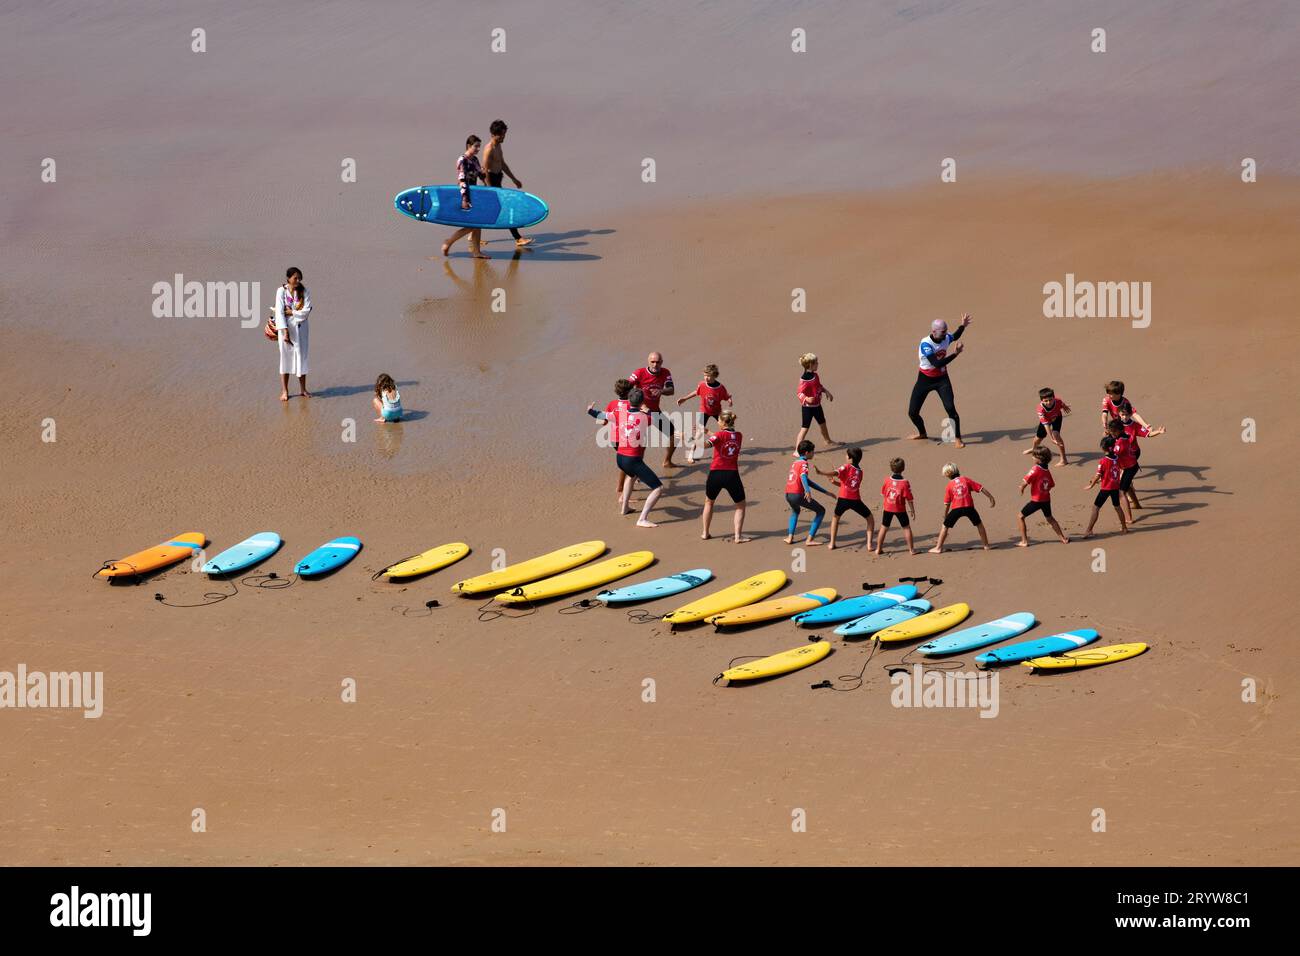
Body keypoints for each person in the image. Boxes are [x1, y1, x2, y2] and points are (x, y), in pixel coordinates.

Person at [587, 388, 663, 527]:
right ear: (642, 402)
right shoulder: (644, 417)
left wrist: (590, 410)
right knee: (658, 489)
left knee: (632, 476)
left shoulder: (619, 414)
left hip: (620, 458)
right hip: (633, 459)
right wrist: (647, 410)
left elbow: (599, 414)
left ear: (629, 400)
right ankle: (642, 519)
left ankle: (625, 508)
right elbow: (658, 420)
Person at [907, 313, 972, 447]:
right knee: (912, 413)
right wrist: (955, 354)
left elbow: (955, 336)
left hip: (942, 380)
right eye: (943, 332)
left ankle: (958, 438)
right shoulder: (926, 344)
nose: (945, 334)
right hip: (924, 380)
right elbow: (936, 364)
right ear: (933, 331)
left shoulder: (945, 338)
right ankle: (922, 433)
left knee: (950, 408)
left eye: (946, 331)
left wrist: (963, 326)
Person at [480, 119, 534, 248]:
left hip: (498, 179)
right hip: (491, 182)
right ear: (494, 135)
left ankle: (472, 235)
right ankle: (518, 238)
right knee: (507, 208)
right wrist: (490, 189)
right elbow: (484, 170)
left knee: (486, 211)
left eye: (504, 134)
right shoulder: (489, 149)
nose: (504, 137)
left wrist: (514, 179)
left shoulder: (498, 145)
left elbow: (502, 164)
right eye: (502, 135)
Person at [701, 410, 750, 543]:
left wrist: (686, 438)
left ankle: (705, 533)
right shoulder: (739, 436)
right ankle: (738, 537)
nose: (717, 422)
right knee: (740, 506)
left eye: (718, 420)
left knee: (709, 502)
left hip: (715, 474)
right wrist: (707, 431)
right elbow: (723, 437)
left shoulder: (718, 435)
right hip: (732, 475)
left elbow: (708, 444)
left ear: (723, 422)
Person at [816, 446, 874, 550]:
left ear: (850, 458)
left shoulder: (846, 467)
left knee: (835, 519)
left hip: (843, 499)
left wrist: (821, 473)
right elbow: (850, 485)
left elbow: (835, 472)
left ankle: (832, 543)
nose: (845, 456)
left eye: (847, 455)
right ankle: (869, 545)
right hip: (856, 500)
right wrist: (835, 483)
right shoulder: (860, 472)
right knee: (870, 519)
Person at [1109, 415, 1166, 521]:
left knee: (1121, 492)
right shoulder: (1122, 436)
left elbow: (1114, 456)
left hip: (1129, 467)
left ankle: (1129, 518)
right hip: (1131, 464)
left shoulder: (1121, 441)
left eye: (1113, 431)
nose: (1112, 433)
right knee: (1128, 485)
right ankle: (1137, 504)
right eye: (1110, 431)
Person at [930, 463, 995, 553]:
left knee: (945, 526)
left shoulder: (949, 485)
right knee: (979, 525)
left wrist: (945, 515)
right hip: (969, 507)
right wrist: (991, 497)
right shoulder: (965, 479)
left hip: (956, 509)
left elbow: (947, 503)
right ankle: (986, 545)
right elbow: (981, 488)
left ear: (947, 474)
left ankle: (938, 548)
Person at [442, 135, 488, 259]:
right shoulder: (462, 160)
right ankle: (449, 242)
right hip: (464, 195)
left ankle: (476, 252)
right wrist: (464, 199)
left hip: (474, 195)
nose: (478, 149)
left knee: (477, 224)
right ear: (468, 146)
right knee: (472, 225)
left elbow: (480, 174)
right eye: (476, 146)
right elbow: (461, 180)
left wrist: (485, 181)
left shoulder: (475, 160)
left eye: (479, 146)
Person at [629, 352, 677, 469]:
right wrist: (639, 404)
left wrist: (661, 391)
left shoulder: (665, 372)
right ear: (648, 361)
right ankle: (636, 471)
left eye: (658, 362)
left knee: (674, 434)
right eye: (653, 362)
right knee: (639, 444)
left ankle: (667, 461)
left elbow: (671, 390)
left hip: (654, 411)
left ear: (662, 362)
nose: (655, 365)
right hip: (640, 412)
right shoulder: (639, 373)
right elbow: (626, 388)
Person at [677, 364, 732, 464]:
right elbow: (696, 392)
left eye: (708, 375)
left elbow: (726, 396)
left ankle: (723, 449)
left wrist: (729, 400)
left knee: (724, 431)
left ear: (715, 375)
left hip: (717, 412)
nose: (706, 377)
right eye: (704, 375)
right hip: (704, 411)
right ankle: (691, 454)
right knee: (698, 433)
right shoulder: (702, 384)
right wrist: (685, 398)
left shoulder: (720, 387)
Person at [1017, 447, 1069, 546]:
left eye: (1033, 456)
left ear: (1039, 458)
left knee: (1020, 516)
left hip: (1036, 501)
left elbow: (1026, 480)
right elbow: (1051, 484)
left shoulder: (1035, 468)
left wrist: (1022, 487)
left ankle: (1024, 541)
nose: (1032, 458)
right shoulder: (1046, 470)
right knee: (1050, 518)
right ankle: (1063, 538)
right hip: (1046, 499)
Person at [275, 266, 312, 401]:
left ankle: (303, 390)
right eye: (295, 278)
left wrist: (292, 312)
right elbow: (279, 312)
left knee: (301, 358)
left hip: (301, 330)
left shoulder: (304, 291)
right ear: (288, 278)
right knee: (285, 359)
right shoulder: (281, 292)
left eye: (299, 278)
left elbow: (307, 311)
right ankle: (285, 391)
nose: (298, 280)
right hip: (285, 330)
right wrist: (285, 332)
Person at [784, 440, 829, 545]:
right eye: (812, 451)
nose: (813, 453)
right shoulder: (804, 463)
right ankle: (809, 540)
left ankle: (790, 537)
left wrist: (825, 492)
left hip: (788, 494)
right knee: (821, 511)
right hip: (797, 494)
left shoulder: (795, 463)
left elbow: (807, 481)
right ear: (806, 453)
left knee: (795, 511)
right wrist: (807, 491)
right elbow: (803, 476)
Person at [1082, 435, 1128, 537]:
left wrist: (1091, 485)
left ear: (1103, 448)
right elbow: (1121, 468)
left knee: (1095, 508)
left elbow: (1097, 475)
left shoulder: (1103, 461)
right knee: (1117, 507)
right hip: (1115, 488)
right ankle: (1124, 527)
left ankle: (1089, 529)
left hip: (1105, 489)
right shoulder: (1117, 458)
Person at [874, 457, 916, 555]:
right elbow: (909, 499)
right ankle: (911, 550)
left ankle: (878, 549)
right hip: (900, 509)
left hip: (888, 508)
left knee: (884, 527)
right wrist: (912, 510)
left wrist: (885, 505)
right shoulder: (905, 483)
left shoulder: (887, 480)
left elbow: (884, 494)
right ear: (903, 468)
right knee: (906, 528)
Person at [794, 353, 836, 451]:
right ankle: (797, 449)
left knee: (822, 423)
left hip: (817, 405)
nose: (818, 364)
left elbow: (818, 386)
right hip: (807, 408)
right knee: (805, 428)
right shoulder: (804, 379)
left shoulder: (815, 375)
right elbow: (799, 393)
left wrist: (826, 391)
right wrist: (806, 399)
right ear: (810, 365)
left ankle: (827, 440)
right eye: (816, 363)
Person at [601, 378, 634, 499]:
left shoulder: (612, 404)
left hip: (614, 439)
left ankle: (631, 481)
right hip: (626, 439)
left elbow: (604, 421)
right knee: (627, 464)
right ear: (629, 391)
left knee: (627, 462)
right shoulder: (632, 404)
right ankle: (620, 488)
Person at [1024, 387, 1071, 465]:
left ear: (1054, 398)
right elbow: (1046, 426)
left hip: (1057, 417)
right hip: (1046, 420)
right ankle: (1034, 449)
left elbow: (1061, 403)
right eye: (1046, 401)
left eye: (1051, 399)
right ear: (1041, 400)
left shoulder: (1057, 401)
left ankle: (1064, 459)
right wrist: (1051, 438)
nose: (1049, 402)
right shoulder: (1040, 410)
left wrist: (1065, 407)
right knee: (1038, 438)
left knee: (1056, 435)